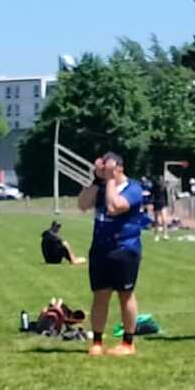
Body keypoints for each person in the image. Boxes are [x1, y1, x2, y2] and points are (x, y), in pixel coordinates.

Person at [79, 152, 146, 357]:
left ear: (120, 168)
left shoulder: (133, 188)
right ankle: (97, 341)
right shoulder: (101, 186)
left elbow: (115, 206)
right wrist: (96, 179)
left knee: (125, 295)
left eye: (109, 167)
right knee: (100, 295)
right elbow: (82, 205)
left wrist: (108, 180)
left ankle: (128, 342)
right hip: (100, 249)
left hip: (125, 248)